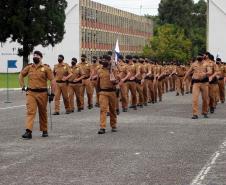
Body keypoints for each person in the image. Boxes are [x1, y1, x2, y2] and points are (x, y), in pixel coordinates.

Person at [19, 50, 56, 139]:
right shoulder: (29, 67)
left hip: (42, 93)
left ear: (41, 57)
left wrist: (52, 94)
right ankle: (28, 131)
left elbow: (53, 80)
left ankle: (44, 130)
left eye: (37, 55)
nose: (35, 56)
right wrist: (23, 86)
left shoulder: (46, 68)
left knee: (43, 112)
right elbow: (21, 75)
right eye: (34, 55)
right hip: (31, 93)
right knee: (30, 112)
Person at [97, 55, 119, 134]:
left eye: (106, 60)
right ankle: (102, 127)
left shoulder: (114, 70)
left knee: (113, 110)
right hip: (103, 92)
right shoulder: (99, 70)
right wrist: (98, 93)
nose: (104, 61)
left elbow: (116, 81)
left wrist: (110, 72)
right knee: (103, 109)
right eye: (103, 59)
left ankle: (113, 125)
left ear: (109, 61)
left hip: (112, 92)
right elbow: (97, 83)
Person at [184, 55, 212, 119]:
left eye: (200, 56)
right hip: (196, 83)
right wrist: (184, 80)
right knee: (195, 99)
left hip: (204, 83)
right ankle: (195, 114)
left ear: (202, 57)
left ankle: (205, 112)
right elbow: (188, 72)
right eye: (197, 56)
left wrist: (205, 73)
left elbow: (210, 71)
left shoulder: (206, 64)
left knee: (205, 99)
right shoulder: (194, 64)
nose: (198, 57)